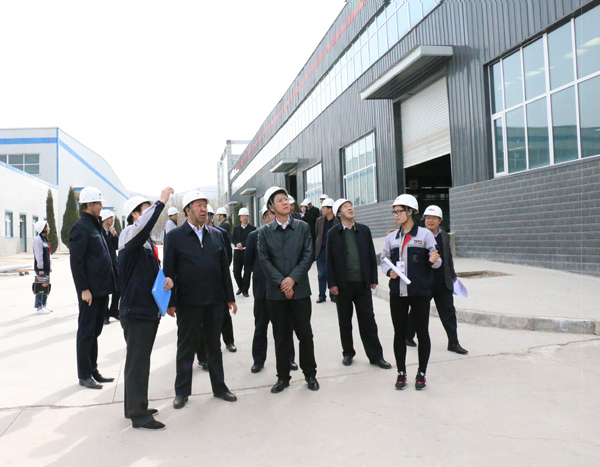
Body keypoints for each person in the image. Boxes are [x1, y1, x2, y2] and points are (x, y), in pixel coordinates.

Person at [164, 190, 238, 409]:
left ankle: (220, 388)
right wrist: (170, 301)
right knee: (186, 348)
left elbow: (224, 269)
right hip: (188, 303)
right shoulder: (175, 236)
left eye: (205, 205)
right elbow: (168, 271)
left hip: (214, 301)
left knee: (214, 347)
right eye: (198, 206)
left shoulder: (216, 235)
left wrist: (229, 297)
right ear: (188, 210)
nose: (203, 209)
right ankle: (182, 392)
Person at [118, 187, 174, 431]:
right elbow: (145, 225)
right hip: (136, 311)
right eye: (145, 209)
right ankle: (138, 415)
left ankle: (134, 405)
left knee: (138, 361)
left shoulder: (145, 242)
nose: (150, 213)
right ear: (134, 215)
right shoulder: (130, 234)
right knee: (138, 363)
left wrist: (165, 281)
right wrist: (160, 203)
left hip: (145, 309)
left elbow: (149, 273)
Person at [258, 186, 319, 393]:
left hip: (300, 291)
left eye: (286, 199)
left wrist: (292, 279)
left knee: (305, 334)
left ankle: (310, 374)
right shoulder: (264, 233)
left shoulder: (302, 227)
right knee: (281, 337)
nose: (285, 202)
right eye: (280, 200)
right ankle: (283, 377)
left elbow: (308, 255)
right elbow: (264, 261)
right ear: (271, 207)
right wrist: (282, 283)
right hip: (276, 294)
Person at [381, 194, 441, 391]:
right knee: (399, 333)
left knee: (422, 333)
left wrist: (433, 260)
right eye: (394, 212)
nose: (396, 215)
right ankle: (401, 372)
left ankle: (421, 373)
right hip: (397, 293)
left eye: (400, 211)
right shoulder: (391, 237)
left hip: (420, 292)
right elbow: (384, 260)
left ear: (410, 212)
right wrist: (389, 271)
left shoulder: (425, 235)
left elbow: (437, 260)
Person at [327, 199, 391, 369]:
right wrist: (331, 283)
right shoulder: (332, 234)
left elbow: (371, 255)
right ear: (339, 213)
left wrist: (373, 278)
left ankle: (376, 356)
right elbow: (329, 260)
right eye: (345, 207)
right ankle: (348, 353)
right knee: (345, 322)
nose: (350, 208)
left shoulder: (364, 230)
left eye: (351, 206)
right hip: (343, 286)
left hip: (362, 284)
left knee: (368, 321)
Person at [69, 187, 116, 390]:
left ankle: (93, 370)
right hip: (90, 292)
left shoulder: (94, 226)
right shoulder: (81, 227)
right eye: (99, 203)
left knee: (95, 331)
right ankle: (84, 374)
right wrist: (84, 289)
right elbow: (76, 262)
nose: (101, 207)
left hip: (101, 290)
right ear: (89, 205)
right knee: (86, 332)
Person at [406, 206, 468, 355]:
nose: (430, 221)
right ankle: (408, 336)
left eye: (433, 218)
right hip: (424, 282)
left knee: (449, 313)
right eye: (427, 218)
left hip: (442, 282)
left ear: (440, 220)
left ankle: (453, 343)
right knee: (417, 311)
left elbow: (448, 257)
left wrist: (453, 276)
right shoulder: (418, 235)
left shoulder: (445, 236)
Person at [245, 205, 298, 373]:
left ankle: (289, 359)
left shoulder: (285, 234)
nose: (274, 216)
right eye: (271, 214)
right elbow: (248, 263)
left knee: (285, 327)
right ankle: (258, 360)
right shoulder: (254, 236)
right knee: (261, 327)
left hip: (281, 289)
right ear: (265, 217)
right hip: (262, 291)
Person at [196, 205, 236, 370]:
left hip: (218, 284)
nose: (207, 217)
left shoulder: (220, 234)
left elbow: (227, 257)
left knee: (224, 316)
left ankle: (229, 341)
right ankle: (202, 357)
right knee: (200, 325)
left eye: (209, 215)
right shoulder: (192, 235)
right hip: (199, 288)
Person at [314, 198, 339, 303]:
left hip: (333, 252)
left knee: (333, 274)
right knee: (321, 274)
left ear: (330, 209)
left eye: (324, 208)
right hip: (321, 251)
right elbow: (317, 234)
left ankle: (333, 295)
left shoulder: (338, 221)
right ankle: (321, 295)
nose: (322, 210)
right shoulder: (319, 221)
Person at [100, 210, 120, 325]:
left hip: (114, 263)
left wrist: (114, 235)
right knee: (106, 291)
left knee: (119, 288)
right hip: (104, 265)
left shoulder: (112, 231)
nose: (112, 220)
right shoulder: (100, 232)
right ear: (104, 219)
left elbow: (117, 246)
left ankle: (114, 310)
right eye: (110, 218)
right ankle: (105, 314)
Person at [231, 208, 256, 297]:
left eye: (246, 216)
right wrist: (237, 244)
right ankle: (241, 287)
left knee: (247, 272)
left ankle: (245, 290)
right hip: (237, 253)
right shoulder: (236, 228)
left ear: (248, 217)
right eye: (242, 216)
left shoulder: (252, 228)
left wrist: (242, 244)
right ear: (240, 218)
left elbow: (251, 239)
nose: (244, 218)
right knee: (236, 272)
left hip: (247, 252)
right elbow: (232, 238)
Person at [33, 219, 52, 314]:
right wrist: (40, 268)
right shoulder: (38, 240)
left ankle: (44, 305)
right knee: (40, 288)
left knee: (45, 287)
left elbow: (48, 254)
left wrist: (50, 266)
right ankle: (39, 307)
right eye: (47, 227)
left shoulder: (45, 239)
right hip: (41, 269)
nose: (49, 228)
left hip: (46, 268)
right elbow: (38, 255)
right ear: (43, 228)